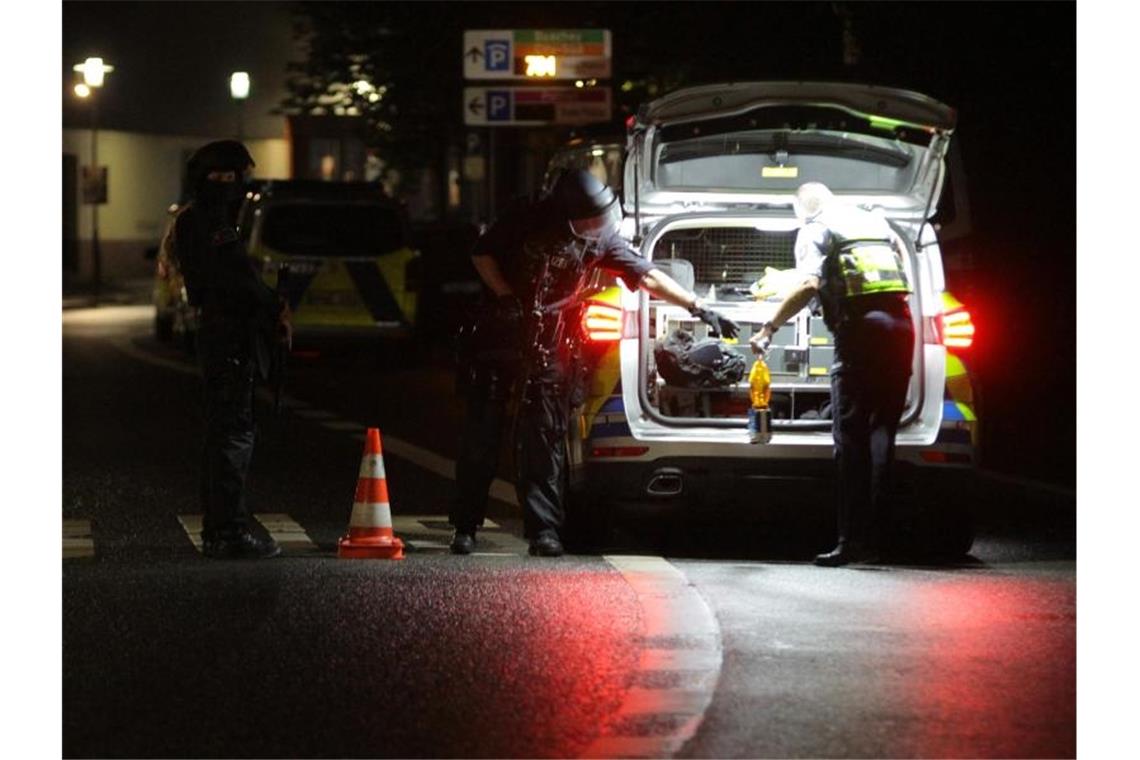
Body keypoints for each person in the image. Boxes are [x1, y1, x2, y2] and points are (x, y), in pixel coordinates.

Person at [450, 169, 739, 557]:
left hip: (548, 343)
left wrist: (698, 306)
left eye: (601, 218)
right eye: (590, 219)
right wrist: (505, 297)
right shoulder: (526, 219)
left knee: (545, 441)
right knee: (481, 438)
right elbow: (481, 254)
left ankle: (544, 532)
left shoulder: (600, 238)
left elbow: (645, 273)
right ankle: (465, 528)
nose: (597, 226)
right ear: (567, 214)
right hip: (500, 338)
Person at [751, 182, 914, 567]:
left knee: (850, 438)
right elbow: (901, 274)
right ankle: (879, 539)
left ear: (800, 211)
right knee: (882, 434)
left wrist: (769, 327)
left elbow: (809, 283)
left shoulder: (815, 228)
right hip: (900, 325)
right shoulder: (875, 222)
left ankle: (850, 542)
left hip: (861, 331)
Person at [170, 140, 291, 559]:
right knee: (233, 435)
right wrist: (273, 303)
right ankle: (228, 531)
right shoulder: (211, 221)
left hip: (219, 335)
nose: (236, 184)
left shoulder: (200, 219)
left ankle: (220, 528)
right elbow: (236, 279)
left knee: (224, 433)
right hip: (229, 337)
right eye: (230, 176)